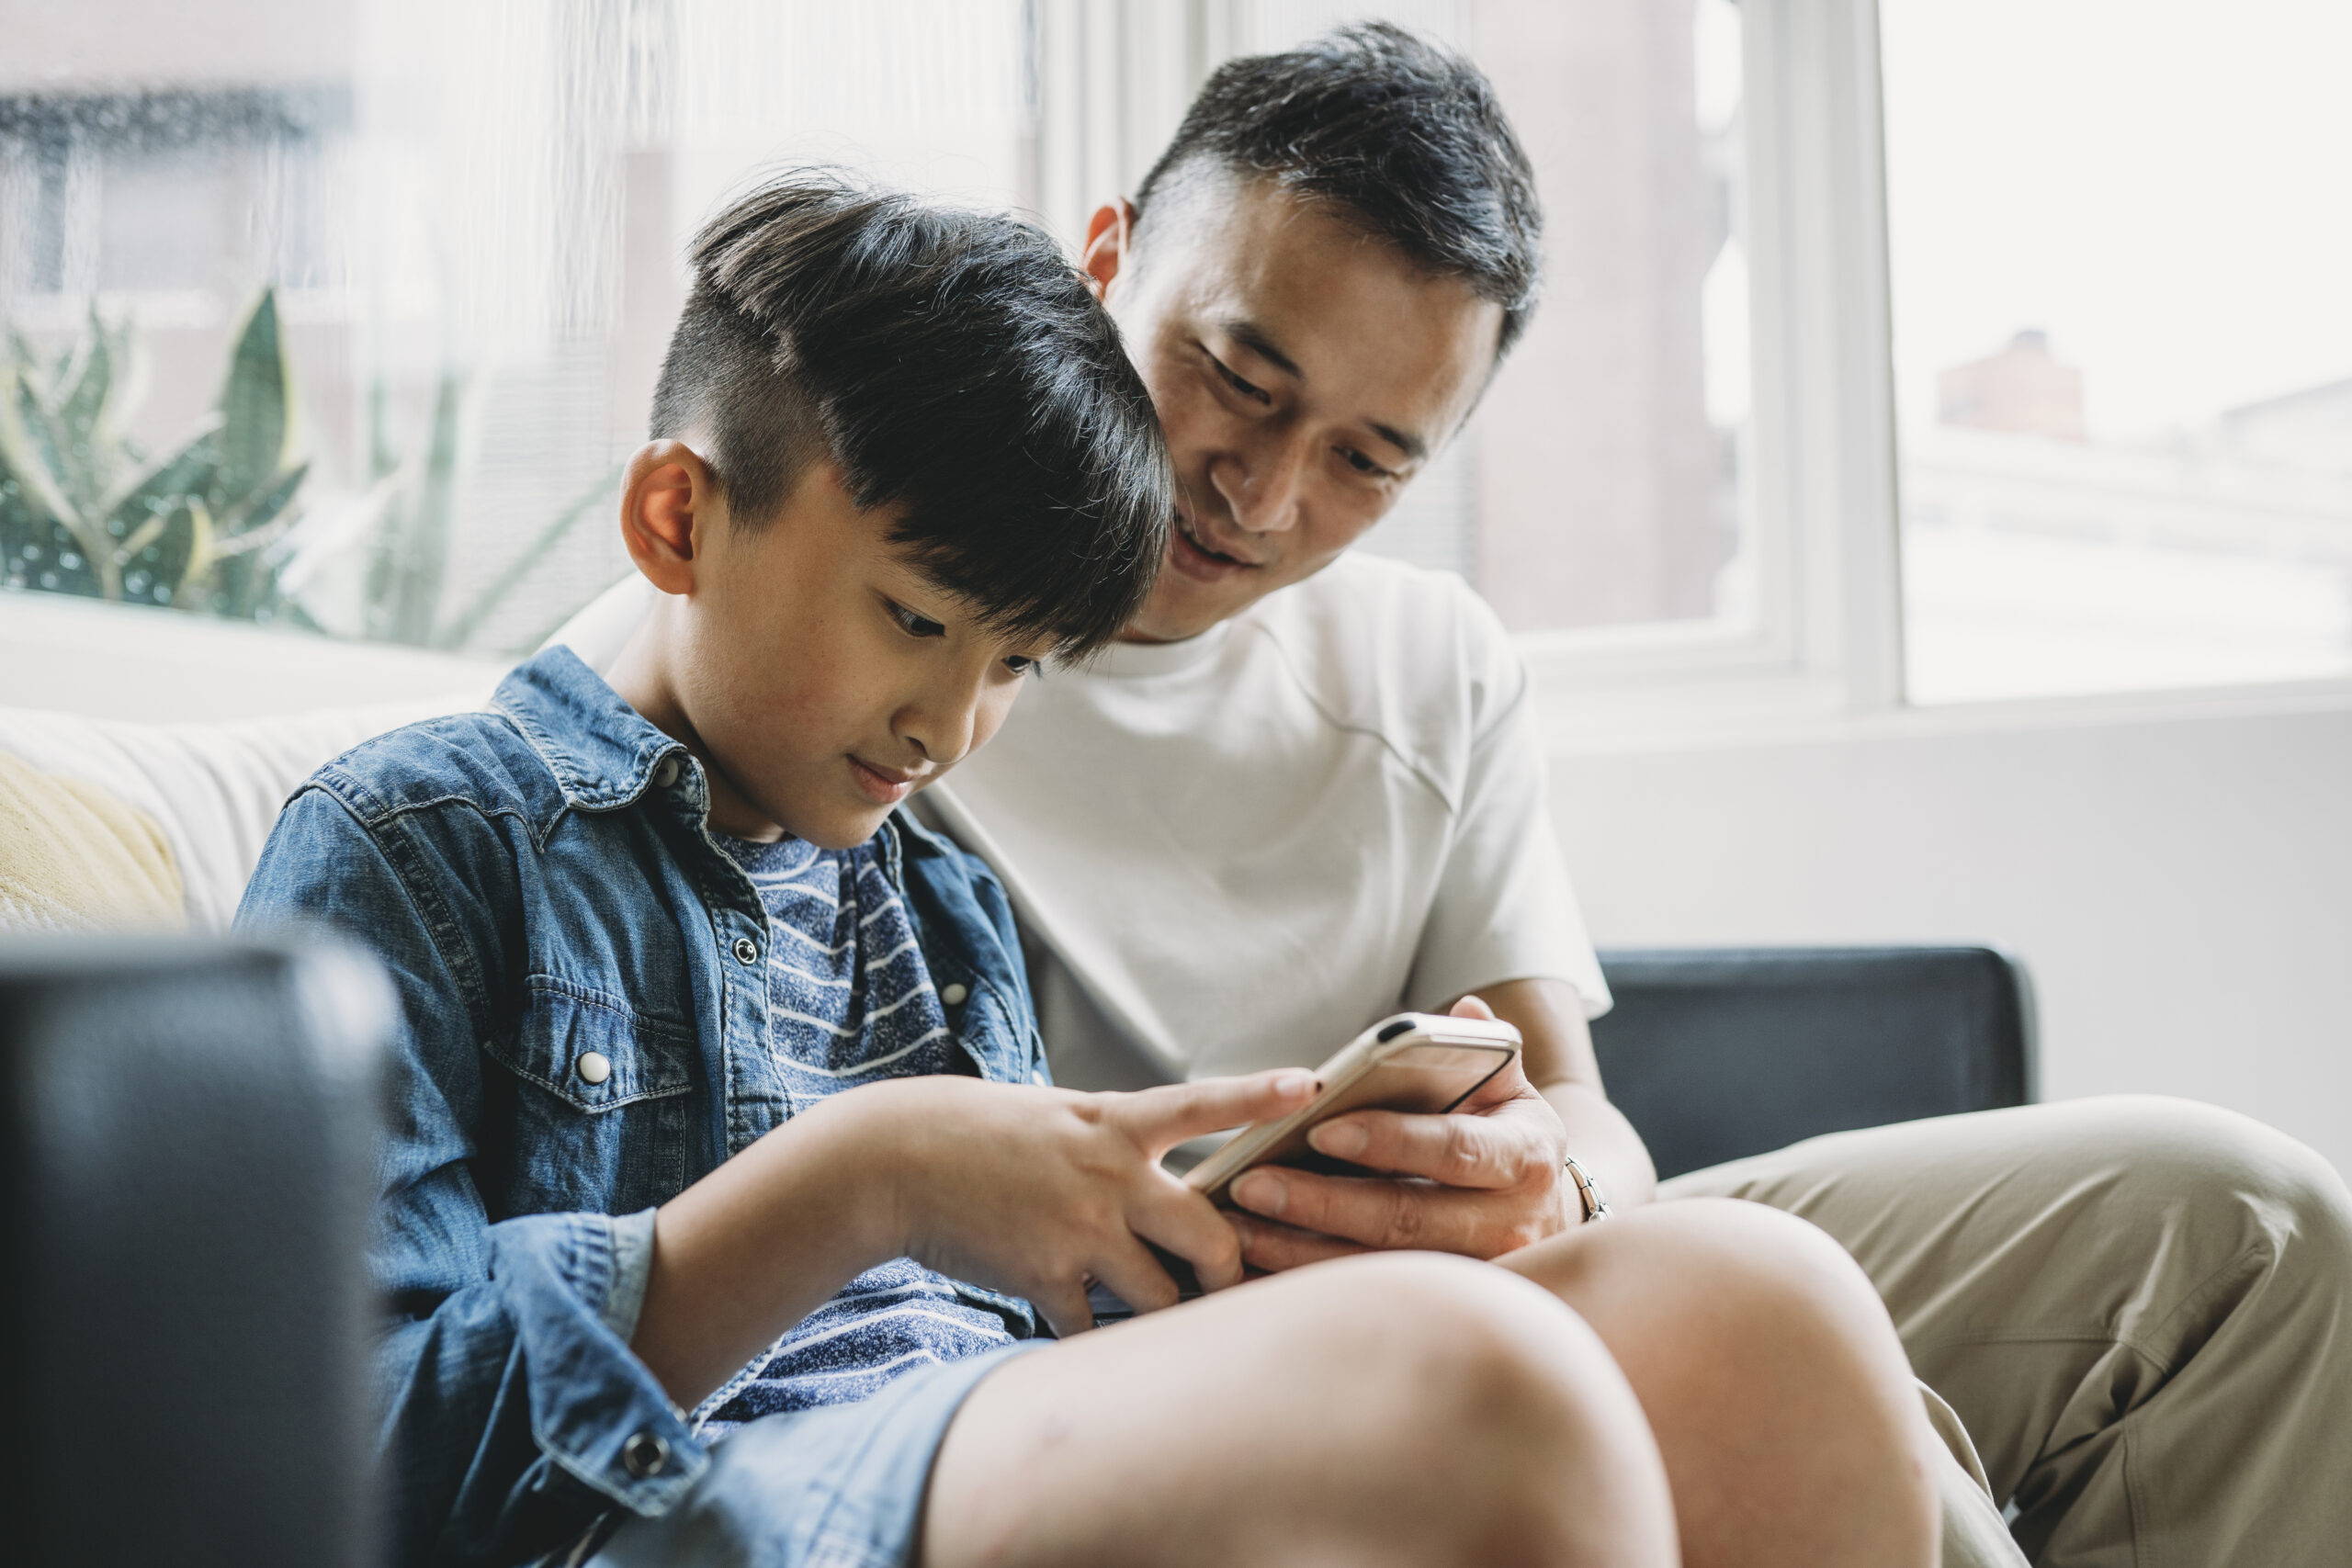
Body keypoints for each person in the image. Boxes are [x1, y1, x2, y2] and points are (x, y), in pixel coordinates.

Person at [239, 172, 1939, 1568]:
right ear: (681, 521)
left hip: (981, 1434)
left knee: (1756, 1310)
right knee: (1480, 1386)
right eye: (915, 619)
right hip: (688, 1498)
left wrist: (1219, 1240)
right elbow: (343, 1463)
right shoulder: (419, 846)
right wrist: (863, 1180)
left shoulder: (938, 904)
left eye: (1018, 666)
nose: (949, 725)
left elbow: (1031, 1348)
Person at [911, 23, 2352, 1568]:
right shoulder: (884, 630)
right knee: (1780, 1363)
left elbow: (1579, 1109)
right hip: (1129, 1369)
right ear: (1105, 259)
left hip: (1484, 1280)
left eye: (1369, 460)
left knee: (2248, 1226)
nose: (1262, 496)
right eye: (1238, 378)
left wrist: (1552, 1178)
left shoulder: (1426, 661)